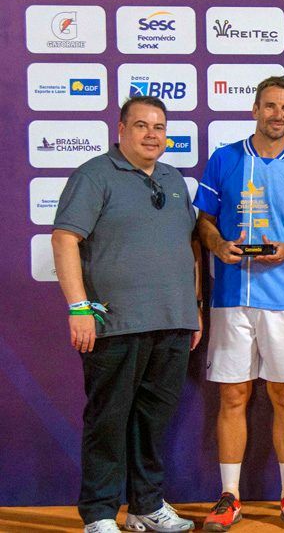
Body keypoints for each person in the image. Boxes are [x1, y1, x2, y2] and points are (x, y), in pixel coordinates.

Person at [52, 96, 200, 533]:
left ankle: (145, 506)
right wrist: (79, 307)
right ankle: (99, 514)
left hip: (173, 323)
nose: (152, 134)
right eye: (141, 125)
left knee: (153, 422)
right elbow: (64, 239)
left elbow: (189, 247)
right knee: (108, 421)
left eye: (159, 127)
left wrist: (194, 308)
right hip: (115, 324)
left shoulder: (173, 179)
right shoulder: (94, 175)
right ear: (121, 130)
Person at [194, 76, 284, 532]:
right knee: (233, 395)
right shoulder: (224, 159)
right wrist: (218, 245)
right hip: (231, 297)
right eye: (270, 106)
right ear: (255, 109)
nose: (278, 115)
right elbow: (204, 222)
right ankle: (229, 497)